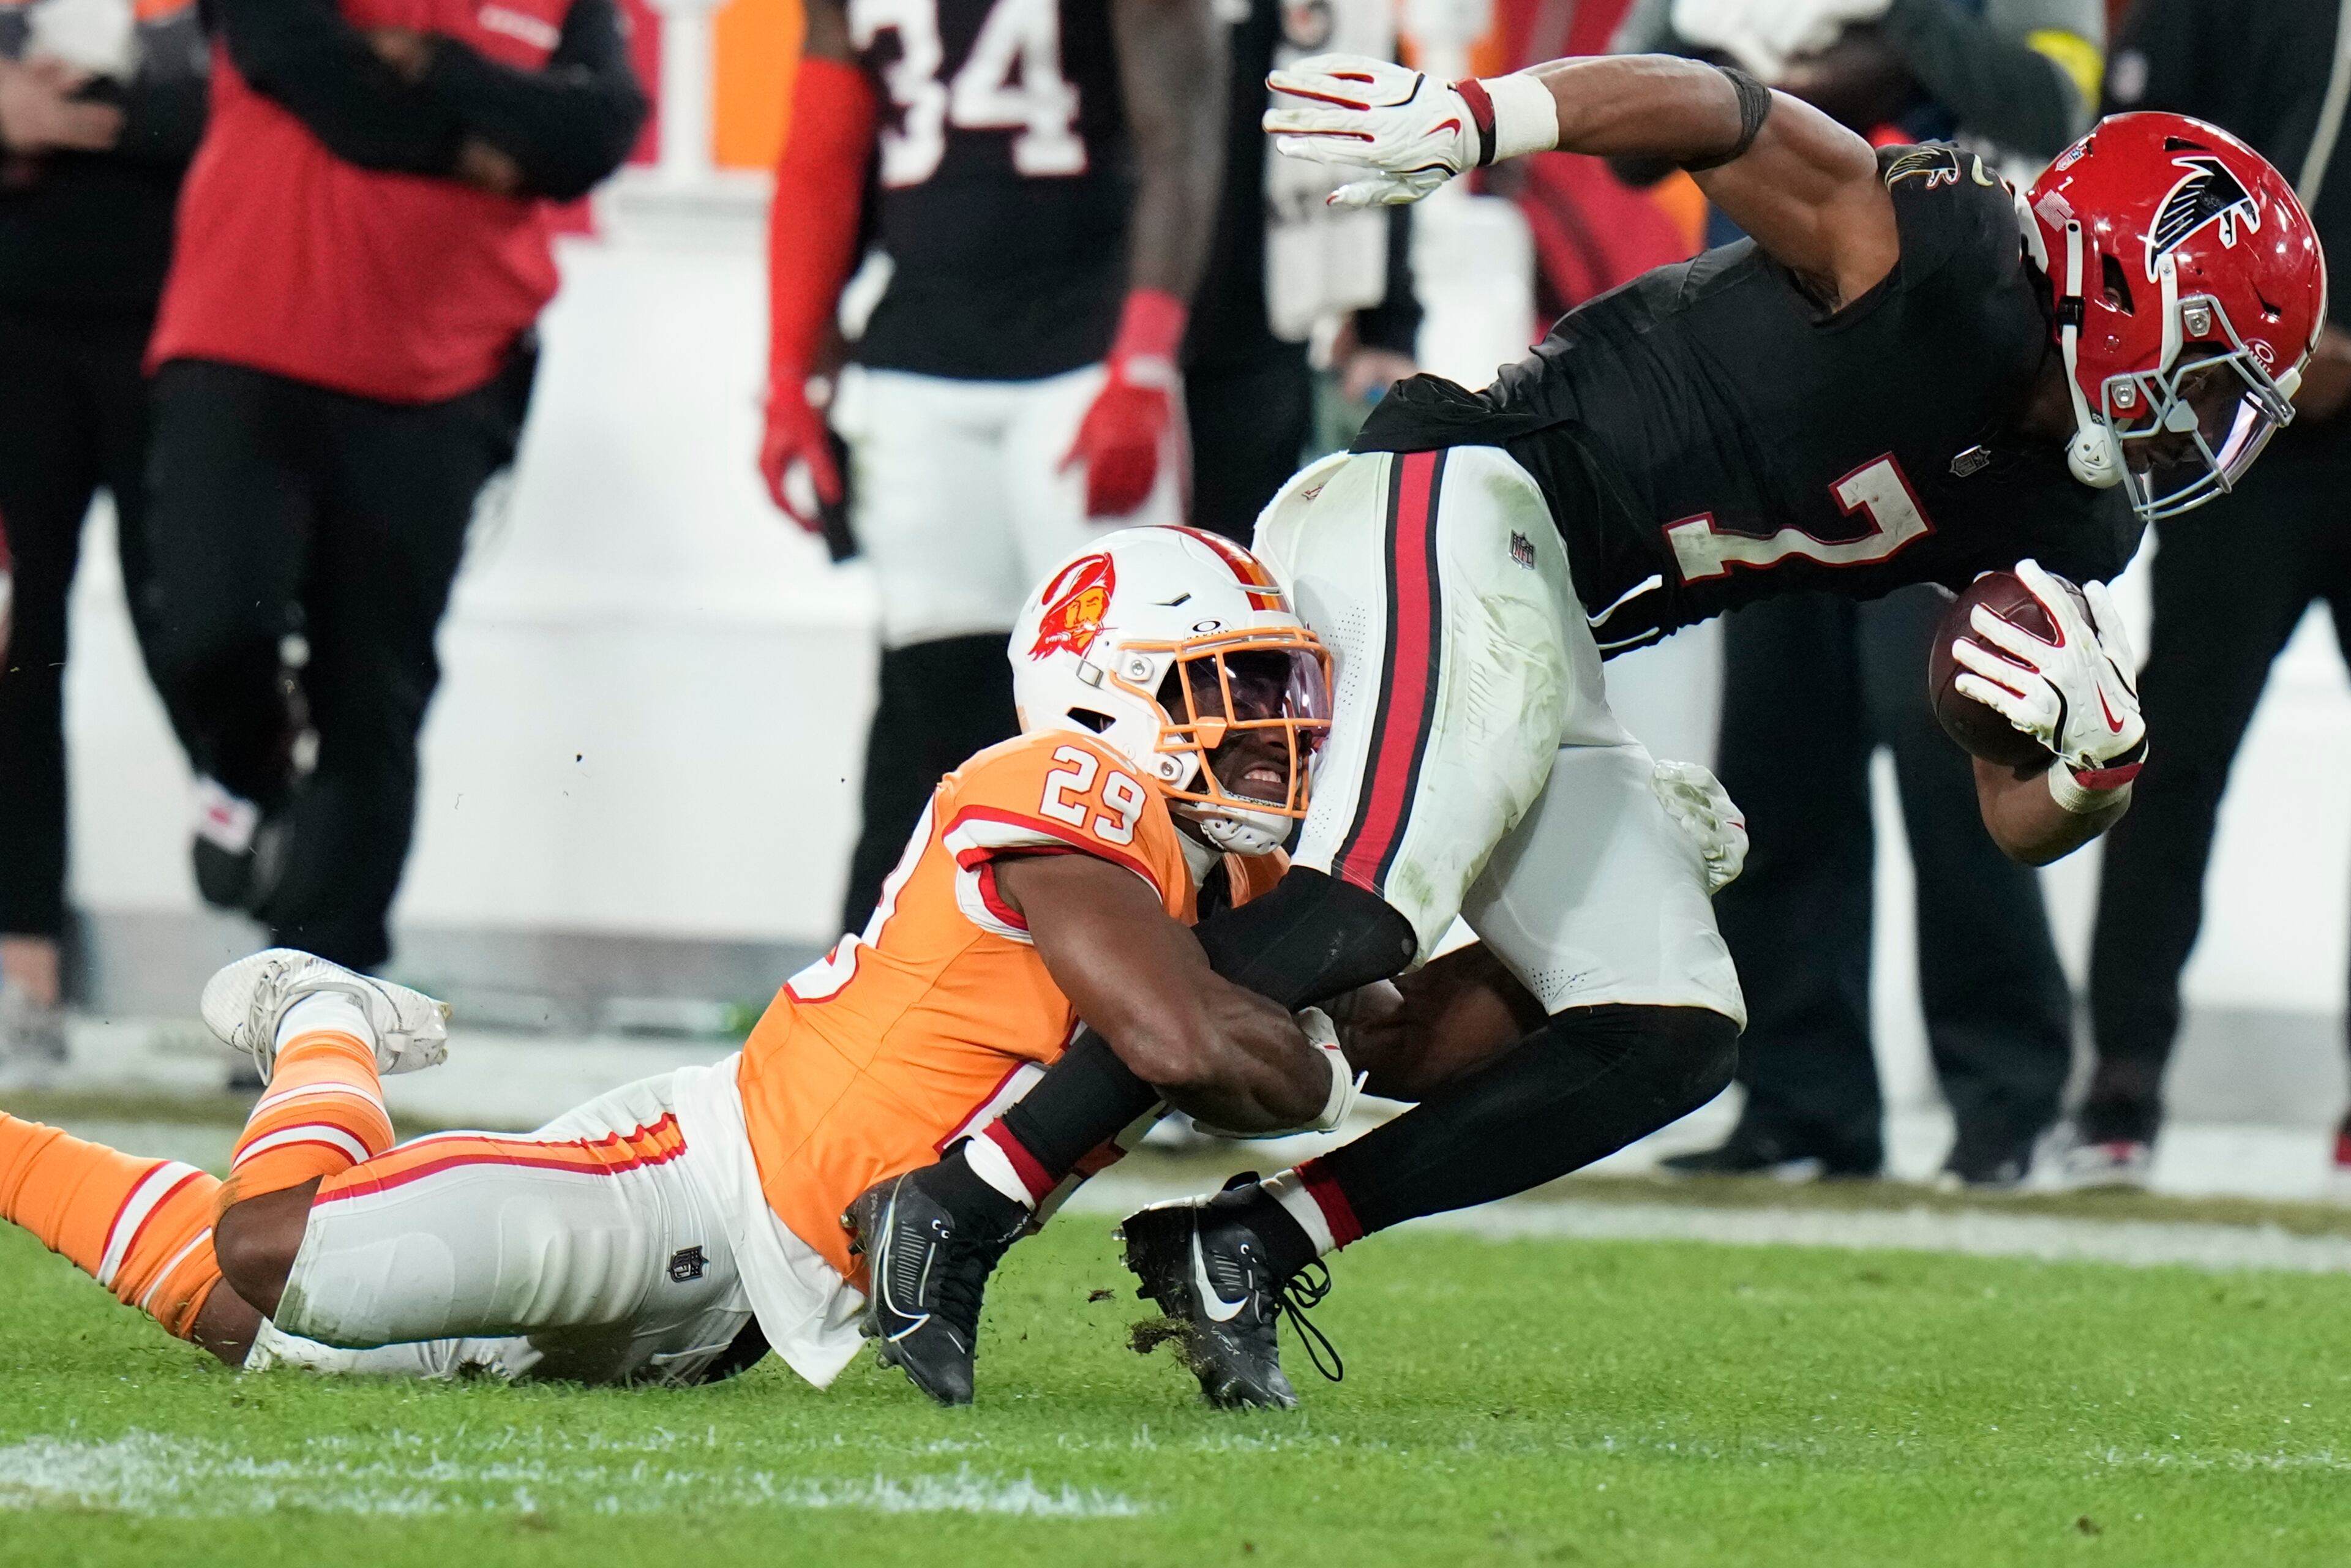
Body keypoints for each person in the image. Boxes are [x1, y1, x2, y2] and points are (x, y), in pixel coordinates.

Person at [850, 54, 2327, 1409]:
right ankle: (961, 1198)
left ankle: (1249, 1238)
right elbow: (1721, 108)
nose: (2191, 431)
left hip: (1539, 626)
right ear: (2113, 281)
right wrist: (1479, 121)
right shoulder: (1943, 260)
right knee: (1360, 906)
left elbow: (2018, 807)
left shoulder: (2062, 505)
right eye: (2200, 376)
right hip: (1454, 498)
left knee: (1670, 1022)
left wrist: (2086, 771)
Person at [0, 530, 1357, 1400]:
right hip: (679, 1184)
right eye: (1227, 682)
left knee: (242, 1322)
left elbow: (1324, 1047)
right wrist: (1314, 1053)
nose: (1269, 732)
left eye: (1281, 689)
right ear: (1105, 687)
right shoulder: (1052, 778)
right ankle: (326, 1019)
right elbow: (1192, 1047)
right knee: (273, 1251)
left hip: (734, 1313)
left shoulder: (1220, 870)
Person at [1615, 0, 2105, 1187]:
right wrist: (1758, 69)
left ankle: (2005, 1093)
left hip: (1952, 407)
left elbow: (2054, 100)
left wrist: (1892, 34)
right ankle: (1800, 1095)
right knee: (1779, 761)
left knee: (1951, 735)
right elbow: (1632, 128)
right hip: (1777, 400)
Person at [140, 0, 647, 974]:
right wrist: (494, 139)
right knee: (213, 631)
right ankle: (248, 771)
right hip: (243, 344)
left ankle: (319, 997)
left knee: (375, 690)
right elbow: (339, 101)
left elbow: (595, 135)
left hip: (444, 380)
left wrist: (431, 61)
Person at [758, 0, 1224, 937]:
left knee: (1125, 704)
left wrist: (1141, 356)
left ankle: (1159, 996)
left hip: (1080, 357)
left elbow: (1184, 134)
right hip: (919, 362)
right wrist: (787, 370)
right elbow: (822, 157)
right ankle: (893, 984)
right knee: (929, 703)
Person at [2060, 0, 2351, 1189]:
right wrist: (2252, 345)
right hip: (2243, 422)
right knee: (2168, 759)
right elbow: (2134, 177)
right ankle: (2120, 1079)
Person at [0, 0, 207, 1082]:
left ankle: (277, 972)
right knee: (15, 654)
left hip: (180, 333)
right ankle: (22, 976)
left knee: (205, 640)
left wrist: (99, 117)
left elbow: (265, 98)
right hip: (16, 320)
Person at [1180, 0, 1419, 542]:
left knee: (1242, 561)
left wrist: (1388, 326)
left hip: (1260, 328)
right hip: (1093, 318)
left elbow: (1390, 125)